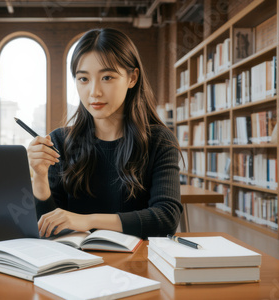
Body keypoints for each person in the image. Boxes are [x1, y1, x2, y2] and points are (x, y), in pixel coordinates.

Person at [28, 28, 182, 239]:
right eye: (83, 79)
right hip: (73, 265)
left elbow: (166, 219)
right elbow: (48, 226)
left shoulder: (159, 141)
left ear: (132, 78)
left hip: (136, 266)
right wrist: (39, 176)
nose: (94, 92)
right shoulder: (59, 141)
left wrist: (88, 220)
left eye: (107, 77)